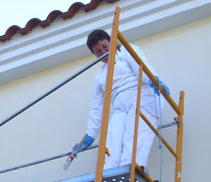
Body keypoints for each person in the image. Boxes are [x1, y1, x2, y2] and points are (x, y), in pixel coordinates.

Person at [71, 29, 169, 169]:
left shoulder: (125, 51)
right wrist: (90, 135)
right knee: (111, 142)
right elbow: (97, 106)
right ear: (94, 55)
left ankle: (132, 173)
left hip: (141, 98)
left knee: (133, 138)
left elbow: (141, 66)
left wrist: (153, 80)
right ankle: (108, 178)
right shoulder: (101, 74)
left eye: (105, 46)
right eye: (98, 51)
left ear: (111, 42)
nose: (103, 52)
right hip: (120, 108)